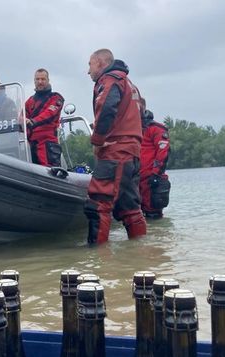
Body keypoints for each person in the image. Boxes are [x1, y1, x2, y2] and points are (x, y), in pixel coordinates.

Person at [84, 49, 147, 244]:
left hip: (116, 151)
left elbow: (107, 108)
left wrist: (98, 140)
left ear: (101, 63)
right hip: (132, 151)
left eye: (90, 65)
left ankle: (98, 261)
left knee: (98, 204)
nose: (88, 71)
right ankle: (139, 251)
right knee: (129, 207)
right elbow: (142, 114)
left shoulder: (110, 80)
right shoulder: (130, 84)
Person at [24, 68, 64, 166]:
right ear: (34, 81)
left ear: (48, 80)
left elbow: (49, 114)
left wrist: (32, 121)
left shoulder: (56, 98)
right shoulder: (30, 101)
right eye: (37, 79)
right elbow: (22, 116)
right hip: (30, 144)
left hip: (47, 144)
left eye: (43, 79)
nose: (40, 82)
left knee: (49, 171)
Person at [139, 106, 171, 219]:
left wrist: (156, 174)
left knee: (153, 214)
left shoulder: (156, 129)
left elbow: (163, 153)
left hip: (151, 180)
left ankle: (156, 235)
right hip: (136, 179)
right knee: (135, 214)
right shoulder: (132, 130)